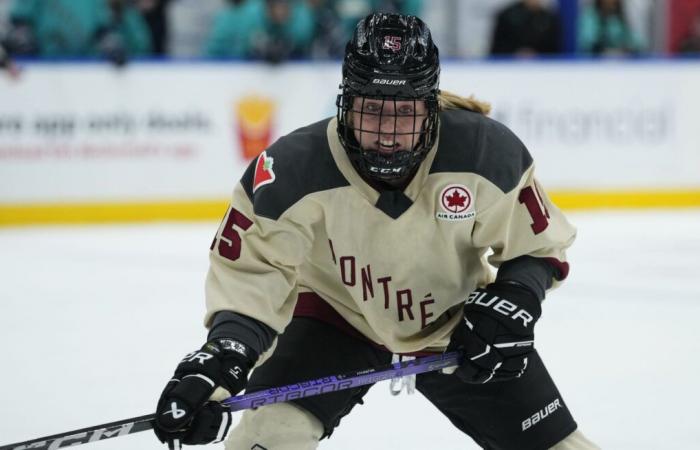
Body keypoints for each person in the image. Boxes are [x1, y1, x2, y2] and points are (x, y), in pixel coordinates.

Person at [152, 12, 600, 450]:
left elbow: (540, 247)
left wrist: (516, 298)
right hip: (335, 315)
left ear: (430, 106)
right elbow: (252, 277)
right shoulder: (289, 172)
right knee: (269, 436)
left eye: (404, 112)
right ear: (346, 103)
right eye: (371, 110)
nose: (388, 132)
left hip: (455, 324)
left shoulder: (484, 152)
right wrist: (222, 358)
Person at [490, 0, 562, 57]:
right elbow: (497, 47)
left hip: (542, 67)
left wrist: (537, 54)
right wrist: (515, 53)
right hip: (509, 66)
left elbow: (555, 49)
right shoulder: (506, 16)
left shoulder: (549, 18)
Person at [577, 0, 644, 56]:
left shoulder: (622, 17)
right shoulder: (590, 16)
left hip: (621, 64)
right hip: (595, 64)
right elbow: (587, 42)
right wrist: (604, 51)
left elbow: (638, 42)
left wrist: (625, 48)